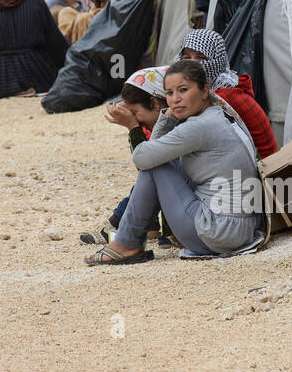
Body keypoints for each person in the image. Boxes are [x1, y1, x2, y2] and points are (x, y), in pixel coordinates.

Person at [85, 58, 264, 265]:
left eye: (183, 90)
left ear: (204, 91)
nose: (175, 99)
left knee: (155, 165)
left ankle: (127, 243)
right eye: (169, 93)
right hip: (242, 230)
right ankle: (130, 237)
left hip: (219, 234)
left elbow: (143, 158)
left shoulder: (199, 127)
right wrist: (169, 115)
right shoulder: (219, 113)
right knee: (160, 161)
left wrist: (134, 127)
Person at [80, 67, 172, 246]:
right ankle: (143, 225)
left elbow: (147, 165)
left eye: (135, 112)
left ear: (155, 103)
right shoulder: (167, 123)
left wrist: (132, 127)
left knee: (154, 172)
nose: (136, 119)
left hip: (192, 225)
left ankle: (119, 227)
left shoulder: (181, 129)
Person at [178, 29, 278, 160]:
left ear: (217, 61)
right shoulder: (211, 90)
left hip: (262, 170)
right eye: (186, 58)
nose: (192, 64)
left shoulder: (224, 96)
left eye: (201, 58)